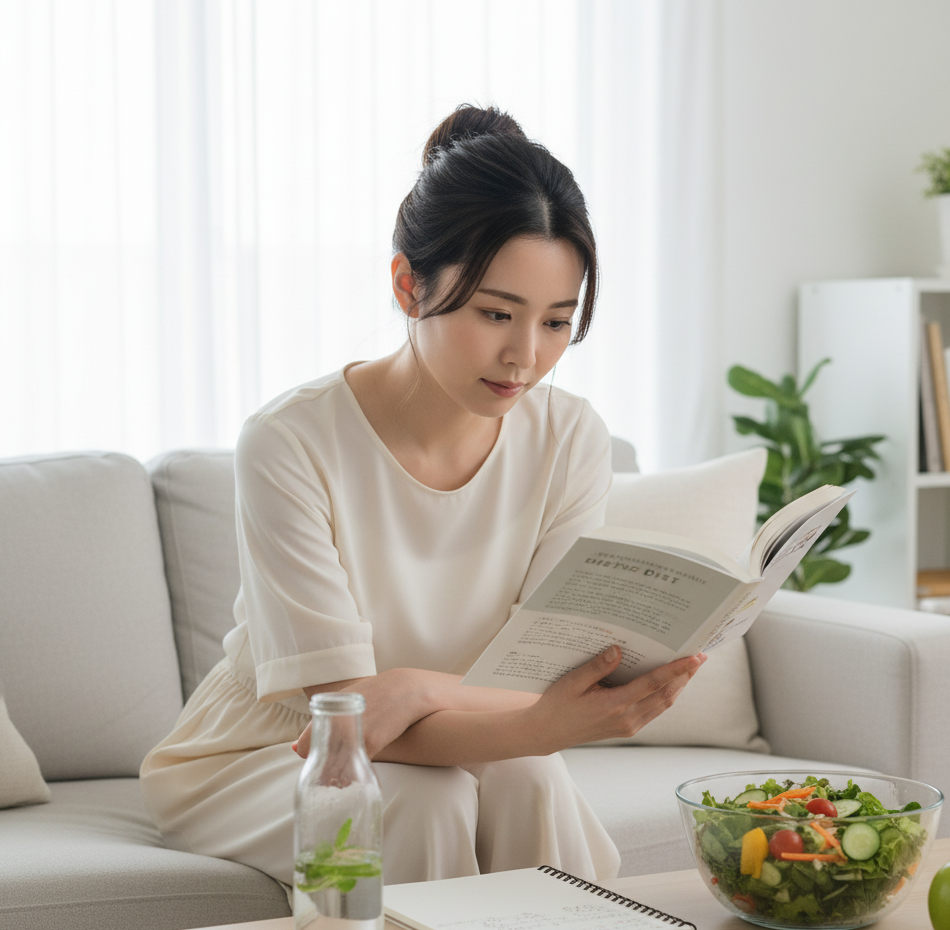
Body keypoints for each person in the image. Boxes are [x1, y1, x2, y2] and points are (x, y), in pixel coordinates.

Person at [140, 105, 706, 886]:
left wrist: (414, 688)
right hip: (277, 748)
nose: (525, 355)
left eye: (556, 323)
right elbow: (345, 721)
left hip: (450, 724)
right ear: (409, 285)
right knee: (427, 800)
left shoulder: (570, 437)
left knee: (530, 775)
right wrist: (532, 719)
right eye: (496, 314)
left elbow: (545, 674)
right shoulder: (290, 442)